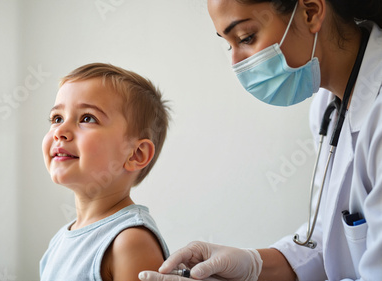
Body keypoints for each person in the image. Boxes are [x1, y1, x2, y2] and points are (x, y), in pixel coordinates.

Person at [139, 0, 382, 280]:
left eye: (246, 38)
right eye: (229, 45)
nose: (236, 63)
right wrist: (253, 265)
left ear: (311, 12)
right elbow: (329, 237)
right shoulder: (327, 107)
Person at [39, 63, 170, 281]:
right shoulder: (59, 241)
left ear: (136, 154)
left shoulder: (130, 241)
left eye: (87, 118)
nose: (59, 131)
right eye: (57, 118)